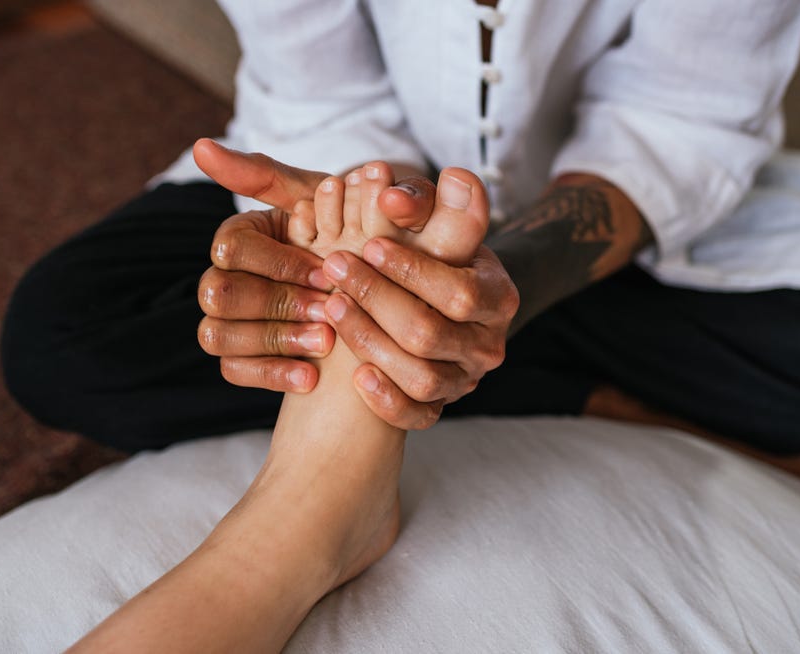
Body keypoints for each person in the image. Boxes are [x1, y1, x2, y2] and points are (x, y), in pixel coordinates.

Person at [2, 0, 800, 513]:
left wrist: (493, 280)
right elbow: (324, 91)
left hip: (628, 223)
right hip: (353, 174)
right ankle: (607, 395)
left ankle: (480, 352)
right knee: (67, 337)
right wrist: (369, 246)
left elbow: (684, 114)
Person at [69, 163, 490, 652]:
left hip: (562, 262)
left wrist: (474, 283)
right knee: (55, 337)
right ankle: (417, 324)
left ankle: (307, 509)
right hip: (370, 172)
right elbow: (316, 103)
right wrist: (349, 191)